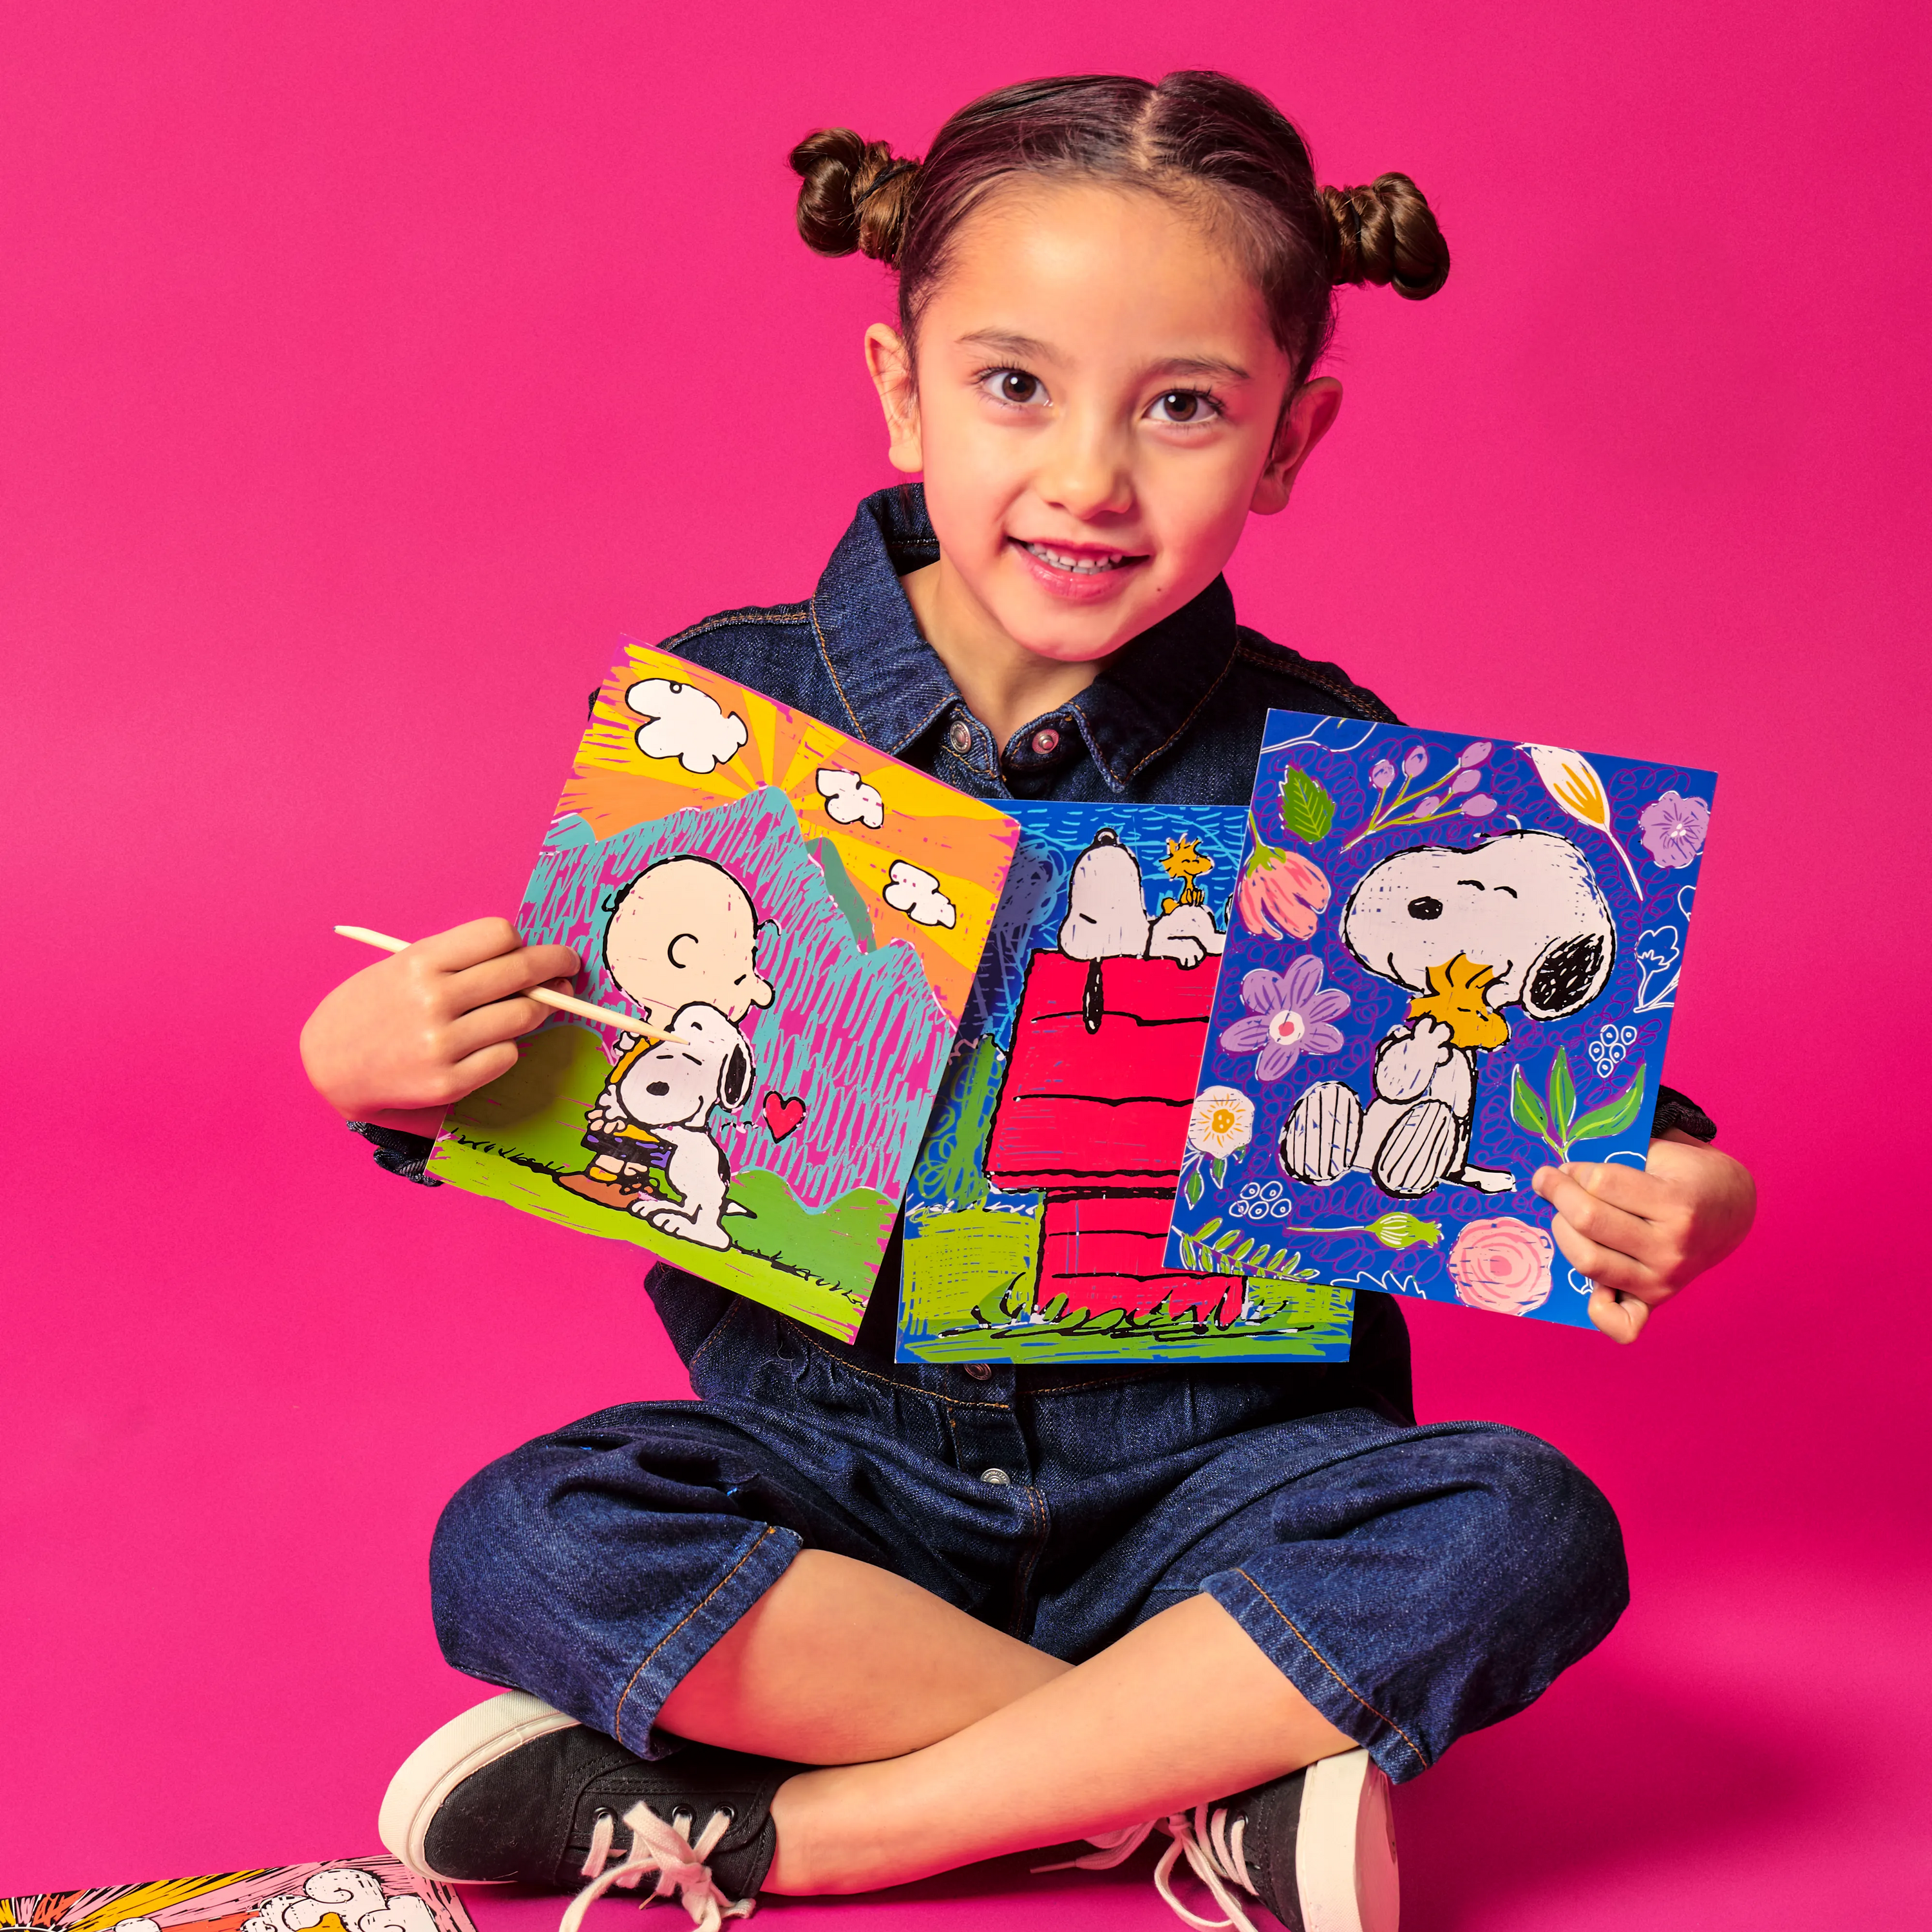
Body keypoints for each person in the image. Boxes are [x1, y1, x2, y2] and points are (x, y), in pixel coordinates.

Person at [298, 71, 1757, 1932]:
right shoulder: (724, 711)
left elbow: (1524, 1087)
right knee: (522, 1539)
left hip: (1224, 1493)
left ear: (1291, 438)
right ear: (902, 386)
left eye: (1183, 411)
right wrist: (384, 1073)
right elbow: (593, 1063)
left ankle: (813, 1839)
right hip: (843, 1489)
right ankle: (1191, 1790)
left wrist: (1690, 1190)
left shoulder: (1327, 765)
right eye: (1015, 387)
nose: (1088, 477)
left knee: (1530, 1526)